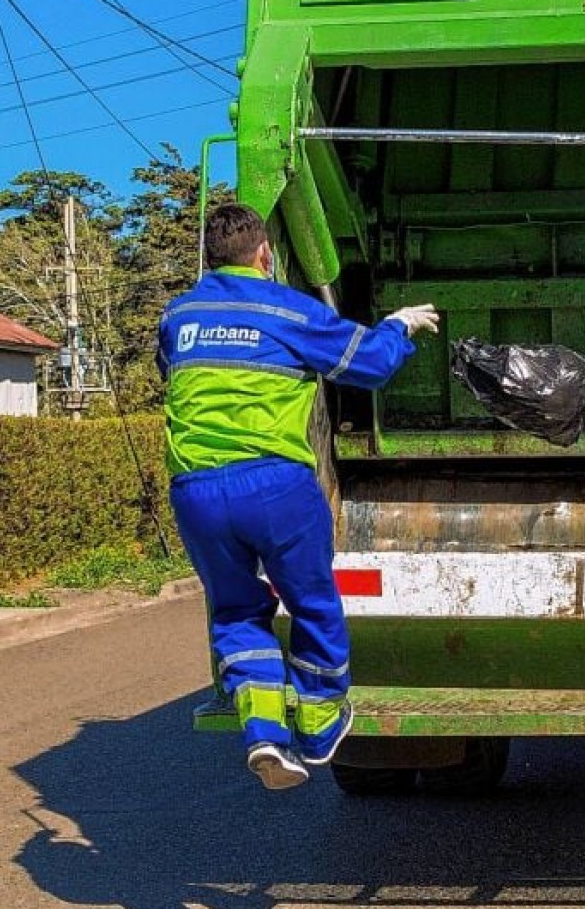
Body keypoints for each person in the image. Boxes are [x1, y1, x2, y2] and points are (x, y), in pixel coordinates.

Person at [159, 203, 438, 790]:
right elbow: (370, 365)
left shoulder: (178, 315)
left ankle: (264, 735)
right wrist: (399, 326)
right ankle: (318, 724)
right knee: (311, 601)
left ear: (211, 257)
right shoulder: (284, 308)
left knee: (236, 612)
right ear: (265, 254)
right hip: (274, 485)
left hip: (196, 489)